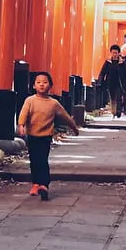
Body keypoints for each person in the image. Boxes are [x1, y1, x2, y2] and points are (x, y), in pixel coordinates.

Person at [17, 70, 79, 200]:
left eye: (45, 82)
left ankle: (44, 184)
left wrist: (73, 127)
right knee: (34, 160)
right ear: (33, 86)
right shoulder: (30, 100)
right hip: (32, 135)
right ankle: (35, 183)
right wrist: (21, 125)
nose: (41, 85)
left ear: (50, 85)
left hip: (46, 136)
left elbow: (65, 116)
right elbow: (24, 113)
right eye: (38, 82)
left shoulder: (53, 103)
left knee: (43, 159)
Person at [97, 45, 126, 118]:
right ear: (111, 53)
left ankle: (118, 112)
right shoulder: (108, 62)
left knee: (118, 97)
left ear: (118, 53)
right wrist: (100, 80)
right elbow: (103, 72)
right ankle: (113, 112)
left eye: (116, 52)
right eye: (113, 52)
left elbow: (125, 73)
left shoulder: (121, 63)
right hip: (110, 82)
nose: (114, 54)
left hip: (119, 82)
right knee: (112, 98)